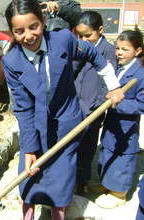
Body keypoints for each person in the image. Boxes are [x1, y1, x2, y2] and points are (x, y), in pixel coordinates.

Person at [2, 0, 124, 219]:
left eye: (33, 27)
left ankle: (59, 215)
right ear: (11, 31)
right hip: (36, 130)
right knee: (29, 180)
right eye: (19, 31)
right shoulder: (12, 61)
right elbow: (23, 108)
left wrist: (114, 86)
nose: (28, 36)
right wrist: (29, 148)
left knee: (61, 184)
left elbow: (94, 55)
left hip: (67, 126)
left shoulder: (63, 40)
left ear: (43, 21)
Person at [94, 30, 144, 209]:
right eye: (117, 48)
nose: (119, 53)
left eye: (125, 49)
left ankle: (119, 193)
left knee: (122, 157)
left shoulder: (140, 74)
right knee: (108, 150)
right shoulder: (118, 67)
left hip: (126, 126)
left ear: (138, 51)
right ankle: (108, 183)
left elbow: (141, 104)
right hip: (112, 123)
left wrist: (117, 104)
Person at [73, 11, 117, 196]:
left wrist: (96, 107)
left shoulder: (108, 50)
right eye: (80, 35)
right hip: (74, 105)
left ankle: (81, 184)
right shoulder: (78, 47)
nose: (84, 39)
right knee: (71, 146)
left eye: (88, 35)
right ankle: (69, 180)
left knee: (86, 149)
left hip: (93, 110)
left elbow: (108, 84)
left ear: (100, 30)